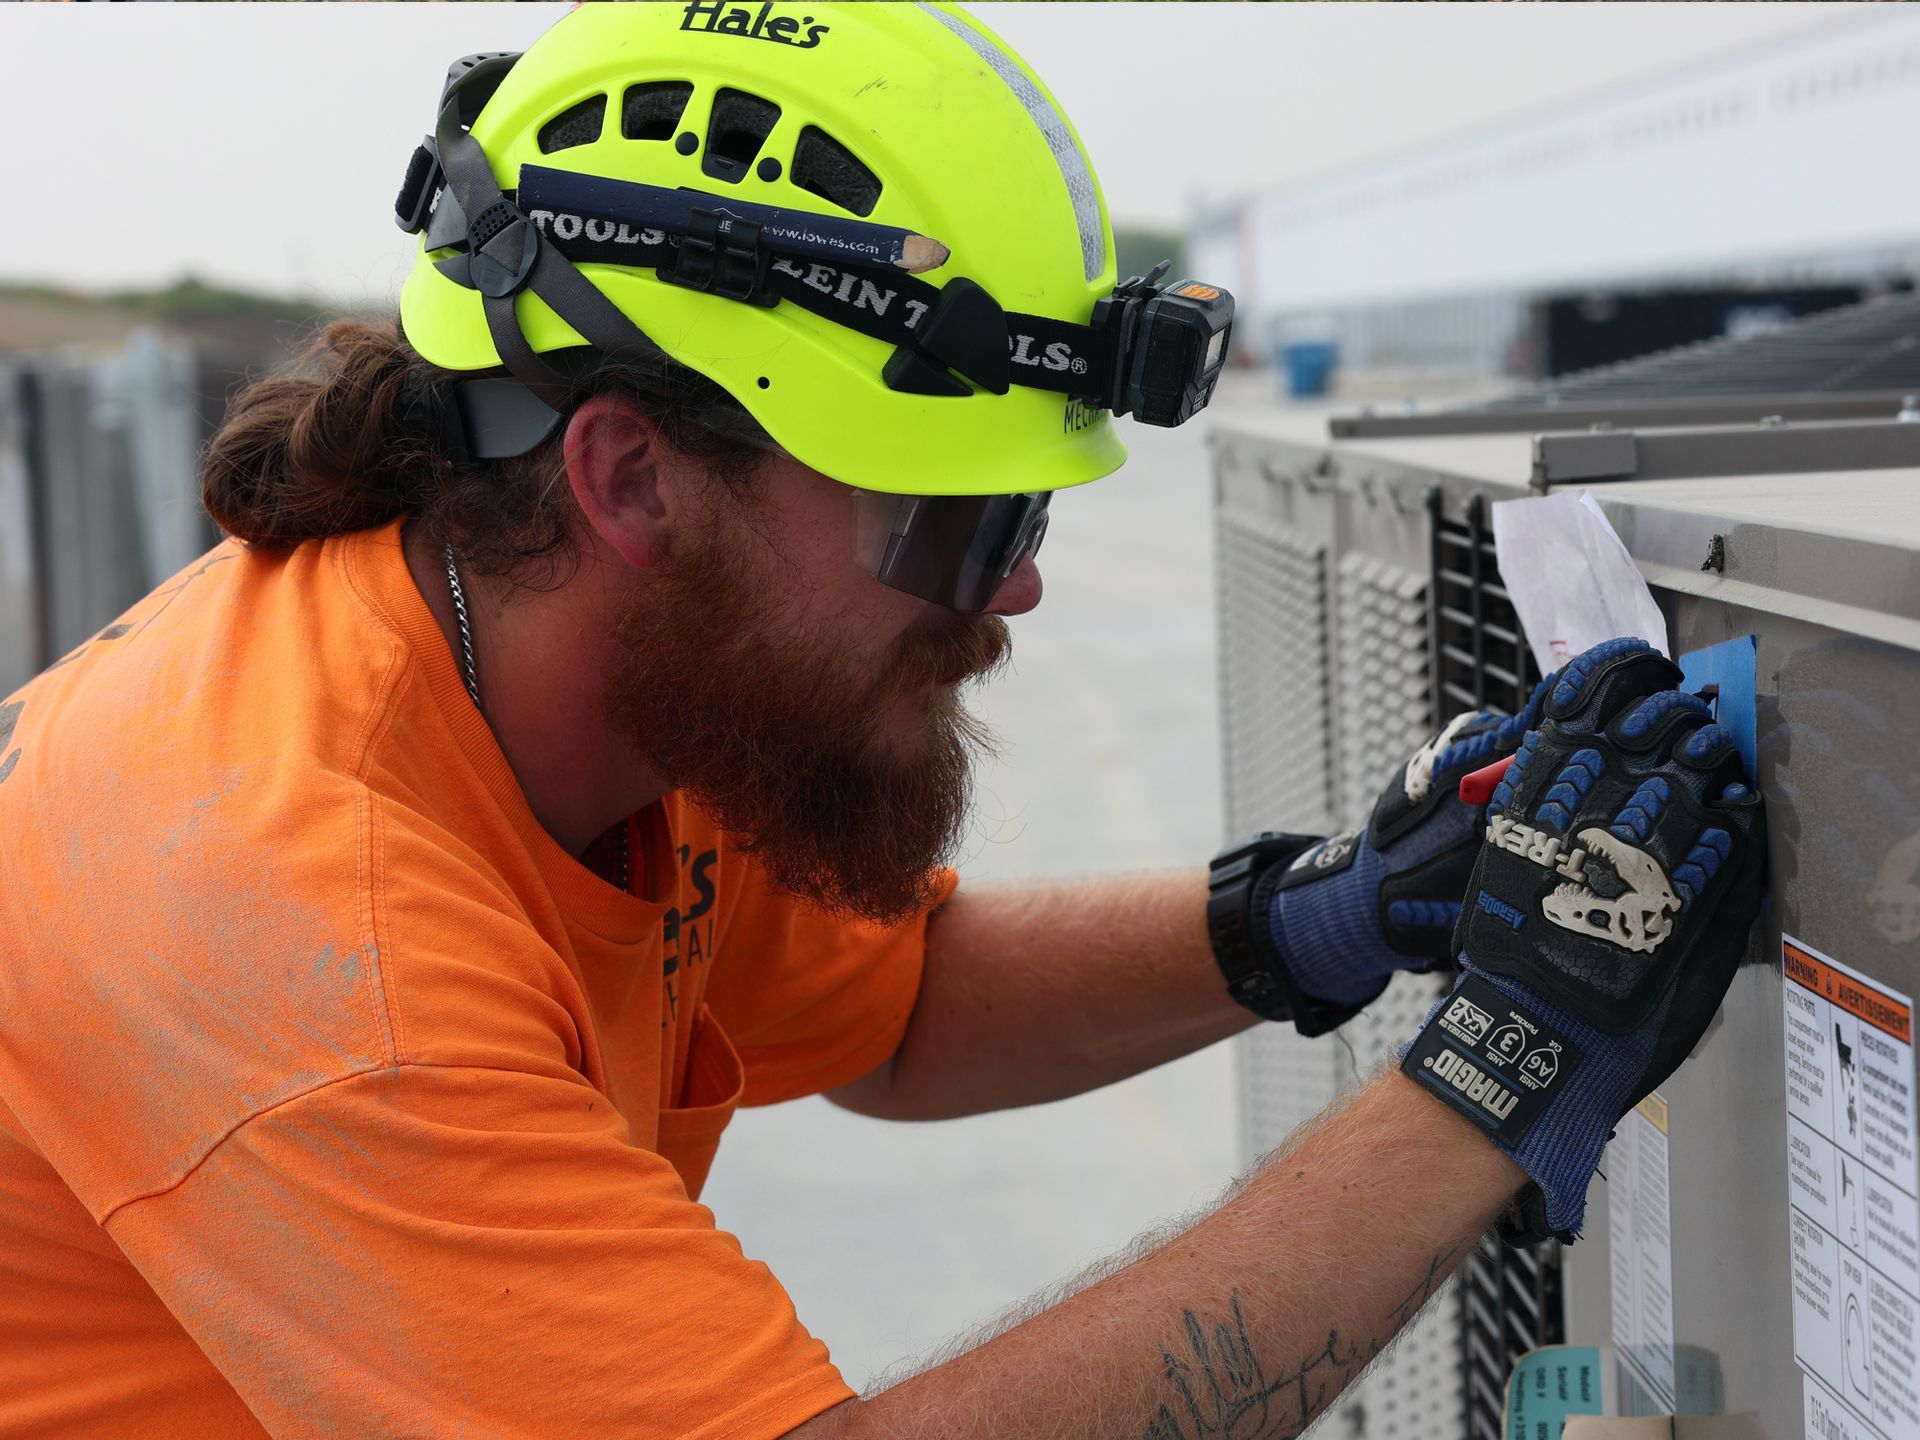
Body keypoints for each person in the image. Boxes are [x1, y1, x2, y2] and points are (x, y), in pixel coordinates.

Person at [0, 6, 1767, 1437]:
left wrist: (1326, 913)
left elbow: (899, 1009)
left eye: (1030, 514)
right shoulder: (305, 930)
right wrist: (1500, 1070)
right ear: (633, 477)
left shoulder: (614, 687)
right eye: (954, 521)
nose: (1016, 589)